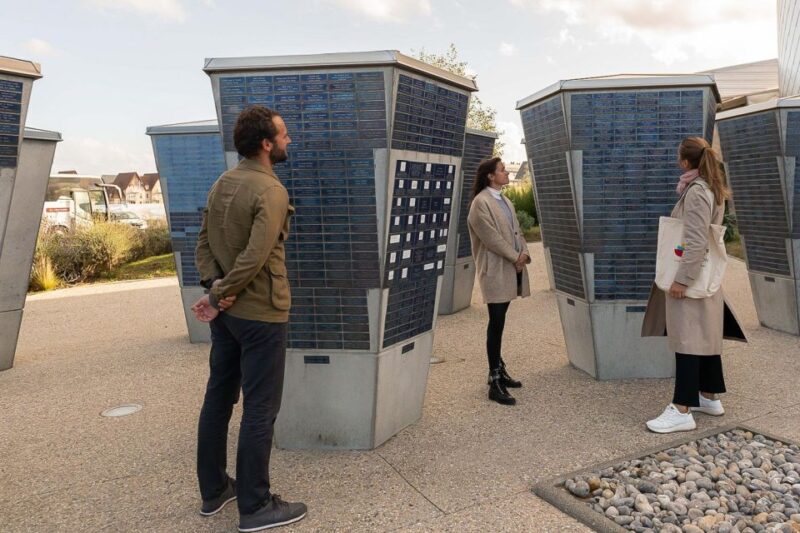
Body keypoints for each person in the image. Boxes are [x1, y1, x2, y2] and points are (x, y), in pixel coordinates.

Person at [190, 105, 307, 532]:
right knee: (261, 408)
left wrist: (213, 289)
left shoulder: (223, 184)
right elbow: (256, 256)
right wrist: (220, 292)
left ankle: (215, 489)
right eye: (284, 134)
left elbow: (202, 242)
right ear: (265, 143)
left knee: (218, 398)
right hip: (261, 315)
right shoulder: (271, 191)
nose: (288, 140)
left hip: (228, 317)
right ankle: (256, 506)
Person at [642, 136, 746, 434]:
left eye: (679, 156)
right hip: (704, 279)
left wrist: (681, 280)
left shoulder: (697, 192)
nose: (677, 161)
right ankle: (709, 396)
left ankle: (682, 409)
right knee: (704, 336)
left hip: (692, 278)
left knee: (687, 340)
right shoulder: (708, 187)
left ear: (687, 161)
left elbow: (697, 240)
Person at [467, 157, 531, 406]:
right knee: (496, 321)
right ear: (490, 176)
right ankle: (494, 379)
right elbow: (491, 238)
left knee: (501, 320)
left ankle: (499, 369)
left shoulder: (505, 200)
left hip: (511, 266)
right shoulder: (480, 203)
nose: (506, 174)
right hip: (495, 269)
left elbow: (517, 232)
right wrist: (516, 256)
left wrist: (523, 254)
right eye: (502, 171)